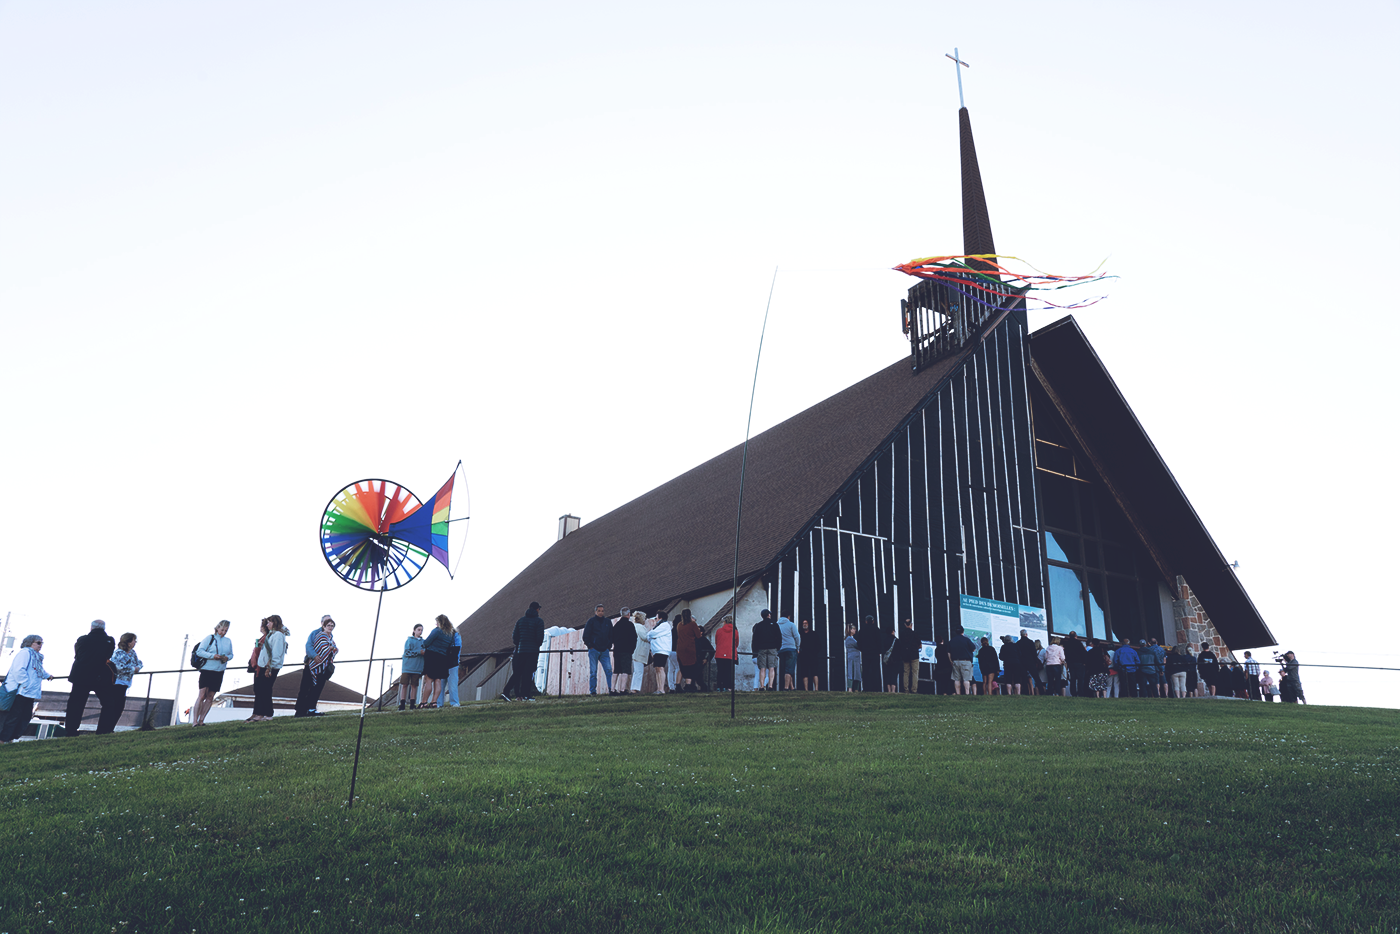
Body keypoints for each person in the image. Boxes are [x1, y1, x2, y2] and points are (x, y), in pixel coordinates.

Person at [62, 619, 116, 736]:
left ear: (91, 627)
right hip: (100, 676)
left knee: (76, 704)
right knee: (108, 703)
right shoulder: (109, 641)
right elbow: (108, 655)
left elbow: (78, 655)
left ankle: (71, 730)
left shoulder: (82, 639)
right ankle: (103, 730)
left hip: (81, 675)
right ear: (104, 628)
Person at [0, 635, 55, 743]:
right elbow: (18, 670)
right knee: (13, 717)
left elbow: (37, 670)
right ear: (30, 643)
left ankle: (10, 738)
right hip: (20, 692)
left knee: (24, 717)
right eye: (38, 643)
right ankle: (3, 740)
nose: (40, 645)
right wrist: (25, 683)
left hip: (29, 693)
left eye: (41, 643)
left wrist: (47, 675)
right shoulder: (25, 653)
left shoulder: (36, 656)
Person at [98, 632, 143, 733]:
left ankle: (110, 729)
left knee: (119, 708)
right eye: (133, 640)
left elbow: (139, 663)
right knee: (113, 707)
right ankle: (105, 730)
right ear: (128, 642)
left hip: (126, 683)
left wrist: (136, 668)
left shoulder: (132, 653)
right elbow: (119, 667)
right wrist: (133, 669)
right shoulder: (119, 653)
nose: (135, 642)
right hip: (116, 683)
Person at [295, 616, 338, 717]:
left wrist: (331, 649)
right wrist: (315, 656)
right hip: (312, 665)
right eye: (328, 623)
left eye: (332, 625)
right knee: (305, 688)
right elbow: (309, 646)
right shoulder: (316, 633)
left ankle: (311, 709)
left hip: (323, 666)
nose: (330, 626)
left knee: (316, 689)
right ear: (322, 623)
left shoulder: (330, 636)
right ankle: (300, 711)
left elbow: (332, 649)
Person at [191, 620, 232, 727]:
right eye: (222, 630)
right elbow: (200, 651)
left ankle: (202, 720)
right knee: (202, 695)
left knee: (210, 696)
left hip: (219, 671)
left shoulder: (228, 641)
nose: (223, 632)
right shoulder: (209, 638)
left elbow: (231, 654)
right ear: (217, 628)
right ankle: (194, 721)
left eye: (226, 630)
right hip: (207, 670)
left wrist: (227, 658)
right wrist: (212, 656)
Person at [503, 602, 545, 701]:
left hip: (521, 650)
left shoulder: (520, 621)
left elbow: (515, 637)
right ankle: (526, 695)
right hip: (532, 651)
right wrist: (535, 645)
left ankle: (506, 691)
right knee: (528, 673)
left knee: (517, 673)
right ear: (537, 609)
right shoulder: (539, 621)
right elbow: (540, 638)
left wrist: (520, 644)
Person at [249, 616, 287, 721]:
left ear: (274, 623)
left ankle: (265, 714)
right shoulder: (272, 634)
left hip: (269, 667)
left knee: (265, 689)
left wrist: (269, 667)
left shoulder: (278, 635)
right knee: (262, 690)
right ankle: (264, 713)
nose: (267, 624)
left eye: (269, 622)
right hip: (263, 665)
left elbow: (277, 652)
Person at [419, 615, 455, 709]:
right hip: (442, 658)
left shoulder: (437, 631)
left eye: (437, 622)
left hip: (432, 656)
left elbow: (426, 642)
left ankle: (424, 702)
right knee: (438, 680)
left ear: (440, 622)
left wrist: (424, 646)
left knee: (429, 679)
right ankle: (434, 702)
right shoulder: (450, 634)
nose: (436, 624)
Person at [581, 605, 613, 696]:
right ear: (595, 612)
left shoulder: (608, 622)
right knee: (593, 672)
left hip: (604, 650)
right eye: (599, 611)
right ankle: (593, 691)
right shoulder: (591, 622)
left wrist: (608, 646)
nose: (601, 612)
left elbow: (611, 634)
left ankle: (611, 689)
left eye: (602, 611)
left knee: (609, 670)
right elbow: (585, 636)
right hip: (594, 650)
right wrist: (590, 646)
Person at [854, 616, 888, 693]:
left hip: (865, 653)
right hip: (875, 653)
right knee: (875, 670)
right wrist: (879, 651)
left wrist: (862, 649)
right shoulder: (876, 630)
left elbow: (859, 643)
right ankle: (875, 688)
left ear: (866, 621)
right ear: (873, 621)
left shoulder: (862, 630)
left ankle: (866, 687)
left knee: (865, 670)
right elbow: (879, 641)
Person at [751, 610, 781, 691]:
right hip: (772, 648)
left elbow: (755, 639)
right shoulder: (774, 624)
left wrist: (757, 649)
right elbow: (779, 637)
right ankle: (770, 686)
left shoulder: (759, 625)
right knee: (771, 667)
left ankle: (761, 686)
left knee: (762, 668)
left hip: (762, 648)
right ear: (768, 615)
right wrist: (777, 647)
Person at [674, 609, 703, 693]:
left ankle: (678, 685)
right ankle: (688, 685)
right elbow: (698, 635)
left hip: (680, 648)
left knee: (682, 667)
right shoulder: (692, 624)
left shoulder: (679, 625)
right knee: (690, 667)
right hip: (690, 648)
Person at [611, 606, 638, 695]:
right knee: (625, 670)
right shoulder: (630, 625)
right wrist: (632, 649)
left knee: (616, 670)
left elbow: (612, 637)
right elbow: (634, 638)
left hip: (617, 649)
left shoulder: (616, 625)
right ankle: (622, 690)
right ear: (629, 614)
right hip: (626, 650)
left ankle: (612, 689)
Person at [645, 613, 673, 694]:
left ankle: (661, 689)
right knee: (657, 669)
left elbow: (652, 634)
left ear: (660, 618)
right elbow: (650, 636)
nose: (655, 620)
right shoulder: (659, 626)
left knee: (660, 668)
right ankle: (658, 688)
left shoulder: (664, 625)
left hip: (662, 650)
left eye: (656, 618)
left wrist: (651, 634)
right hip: (657, 650)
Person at [400, 623, 426, 709]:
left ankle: (412, 703)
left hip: (417, 667)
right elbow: (407, 652)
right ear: (414, 630)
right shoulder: (409, 640)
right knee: (404, 685)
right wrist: (418, 652)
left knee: (414, 685)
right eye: (419, 630)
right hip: (407, 667)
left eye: (421, 630)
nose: (420, 632)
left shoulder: (423, 642)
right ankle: (402, 703)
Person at [946, 625, 975, 696]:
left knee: (956, 679)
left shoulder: (952, 641)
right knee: (966, 679)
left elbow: (948, 652)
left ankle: (958, 694)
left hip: (955, 661)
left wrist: (951, 661)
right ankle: (967, 694)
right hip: (966, 661)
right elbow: (973, 649)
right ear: (963, 631)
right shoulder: (966, 640)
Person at [797, 619, 823, 691]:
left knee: (815, 672)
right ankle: (806, 689)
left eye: (806, 623)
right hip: (804, 657)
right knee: (804, 673)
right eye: (803, 623)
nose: (804, 624)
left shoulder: (814, 634)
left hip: (813, 656)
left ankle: (816, 689)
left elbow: (819, 645)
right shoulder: (800, 634)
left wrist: (815, 652)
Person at [714, 614, 738, 692]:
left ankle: (719, 686)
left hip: (720, 653)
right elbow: (736, 643)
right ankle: (728, 687)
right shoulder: (735, 631)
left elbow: (716, 641)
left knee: (720, 671)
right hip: (730, 653)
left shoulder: (719, 631)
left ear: (724, 622)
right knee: (729, 672)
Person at [777, 616, 800, 691]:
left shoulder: (777, 624)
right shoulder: (791, 624)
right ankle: (786, 687)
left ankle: (792, 687)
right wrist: (798, 647)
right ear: (788, 617)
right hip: (791, 648)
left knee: (786, 668)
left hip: (781, 649)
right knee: (789, 669)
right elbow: (797, 636)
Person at [897, 619, 921, 694]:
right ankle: (914, 689)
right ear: (911, 624)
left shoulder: (902, 634)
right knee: (915, 672)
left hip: (905, 655)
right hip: (914, 655)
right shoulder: (915, 633)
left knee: (906, 672)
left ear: (905, 625)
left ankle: (906, 689)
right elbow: (920, 645)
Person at [444, 625, 463, 708]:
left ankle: (453, 702)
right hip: (453, 662)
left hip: (451, 662)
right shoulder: (456, 636)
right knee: (451, 683)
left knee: (450, 683)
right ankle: (454, 702)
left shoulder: (454, 636)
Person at [843, 624, 861, 692]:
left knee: (856, 672)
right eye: (853, 629)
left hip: (855, 658)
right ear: (850, 630)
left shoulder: (851, 638)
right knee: (852, 672)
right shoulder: (849, 639)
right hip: (853, 658)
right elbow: (858, 645)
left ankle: (855, 688)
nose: (855, 630)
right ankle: (850, 688)